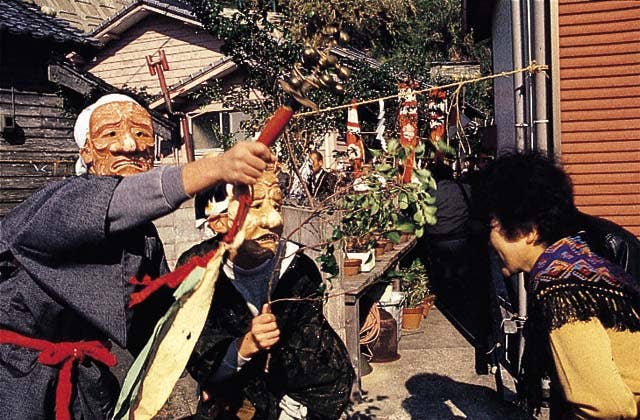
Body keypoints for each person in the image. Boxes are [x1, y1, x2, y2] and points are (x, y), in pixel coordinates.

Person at [0, 94, 275, 419]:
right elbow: (118, 200)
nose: (129, 144)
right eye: (110, 134)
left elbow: (161, 328)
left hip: (85, 384)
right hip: (16, 379)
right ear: (86, 151)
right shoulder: (60, 203)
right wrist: (217, 167)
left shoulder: (142, 240)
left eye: (143, 134)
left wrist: (232, 359)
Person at [178, 167, 354, 419]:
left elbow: (309, 363)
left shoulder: (298, 269)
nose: (275, 220)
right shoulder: (197, 269)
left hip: (301, 399)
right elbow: (198, 354)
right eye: (256, 206)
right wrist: (245, 346)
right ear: (219, 221)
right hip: (231, 396)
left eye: (278, 205)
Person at [479, 152, 640, 418]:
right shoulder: (577, 259)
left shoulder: (559, 284)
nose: (489, 239)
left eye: (493, 226)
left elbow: (606, 406)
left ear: (529, 230)